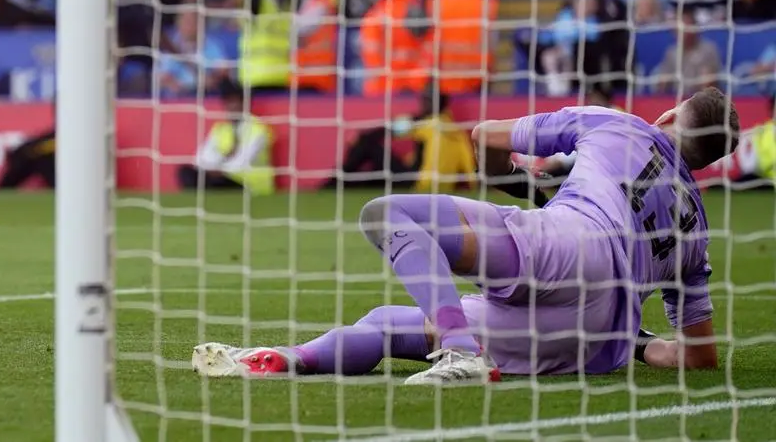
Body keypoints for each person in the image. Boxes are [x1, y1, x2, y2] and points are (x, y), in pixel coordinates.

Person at [193, 89, 738, 384]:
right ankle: (285, 359)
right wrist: (641, 345)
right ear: (706, 162)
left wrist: (517, 188)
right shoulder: (698, 237)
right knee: (386, 324)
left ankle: (459, 352)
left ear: (667, 114)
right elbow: (698, 358)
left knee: (388, 215)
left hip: (564, 243)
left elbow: (488, 136)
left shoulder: (618, 123)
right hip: (595, 336)